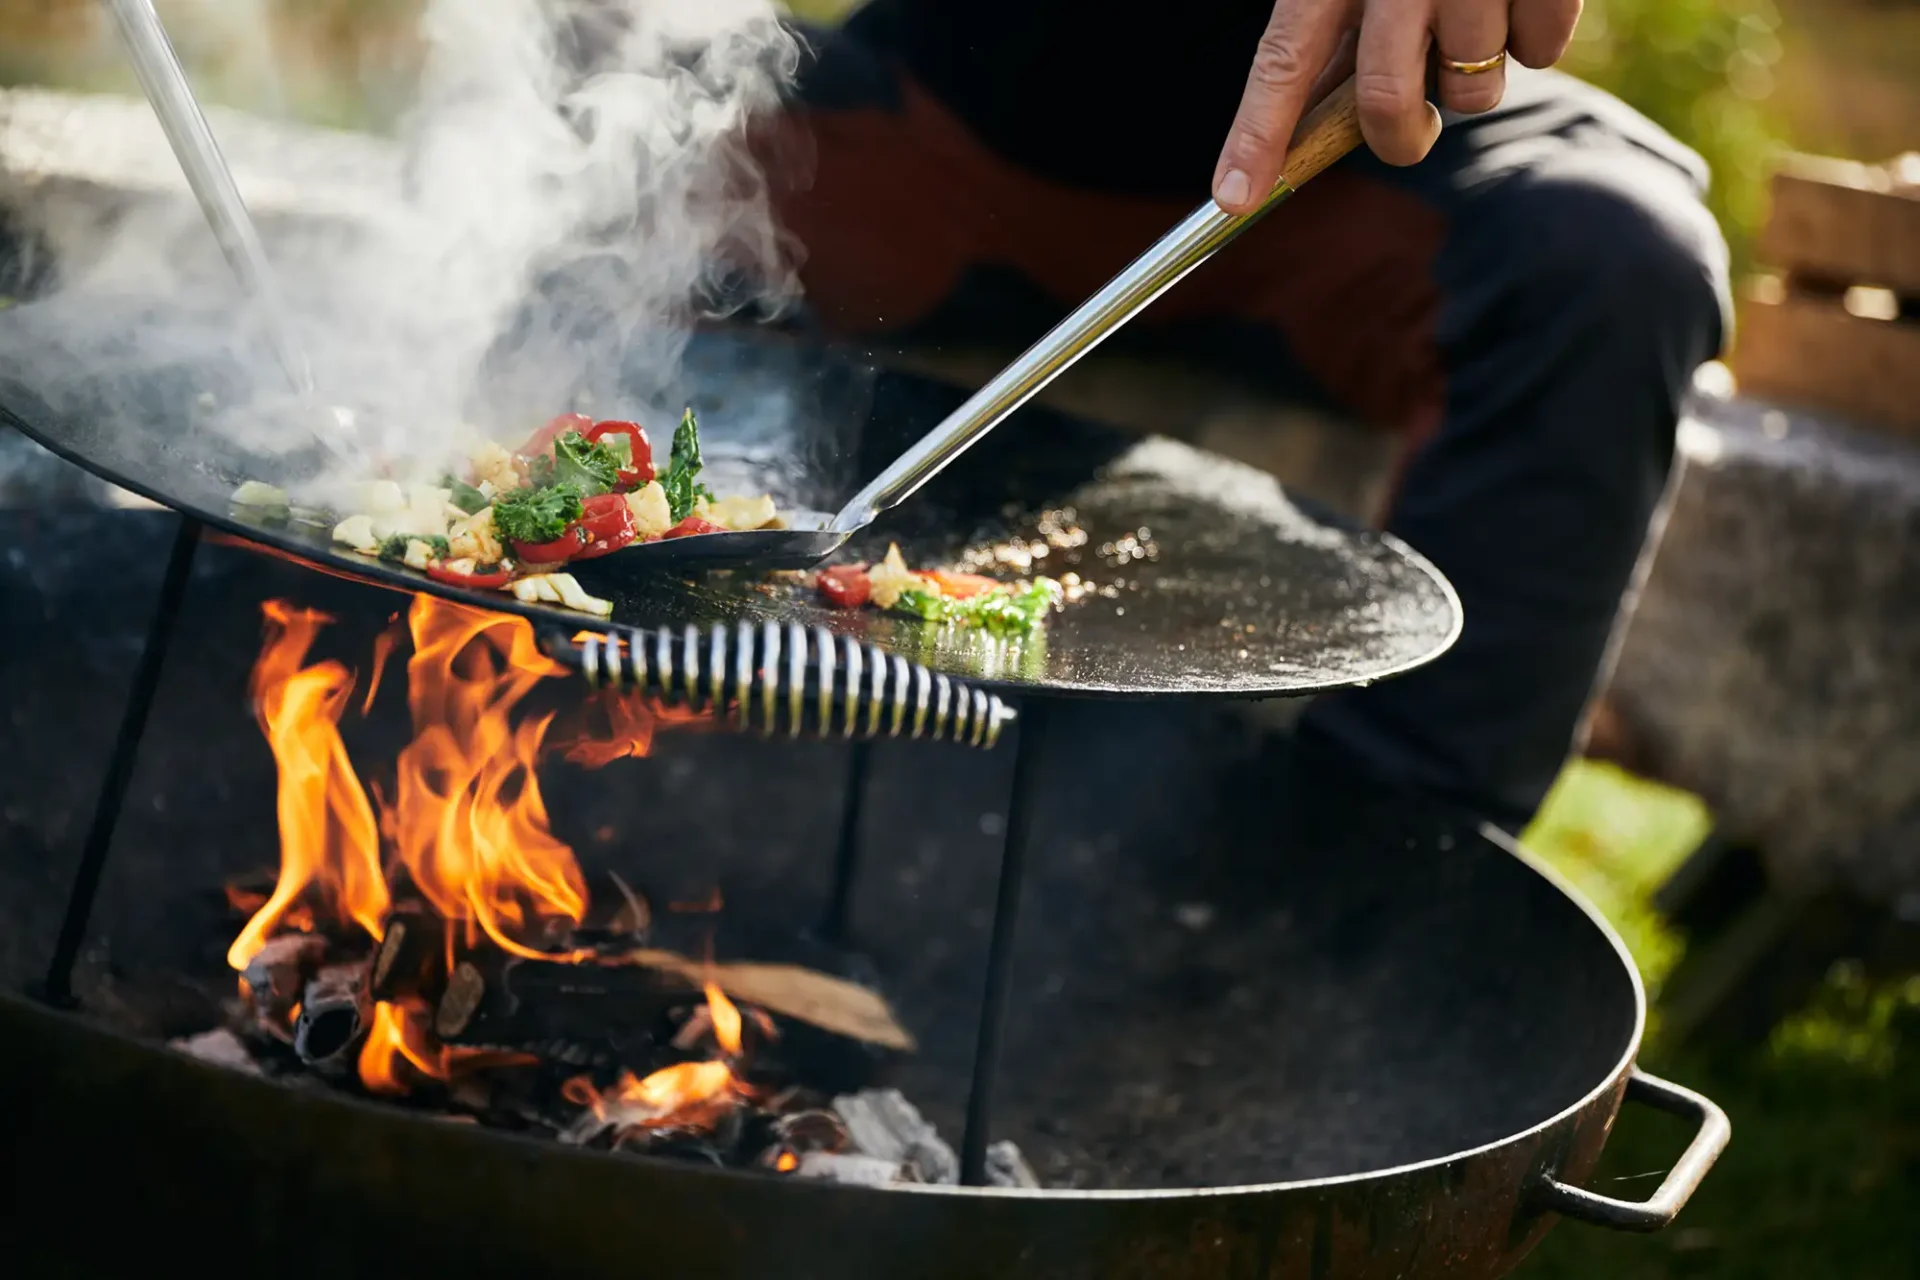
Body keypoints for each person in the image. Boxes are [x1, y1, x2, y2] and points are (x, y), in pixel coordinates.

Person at [763, 0, 1730, 833]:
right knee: (618, 60)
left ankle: (1336, 900)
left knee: (1618, 262)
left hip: (1353, 163)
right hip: (941, 134)